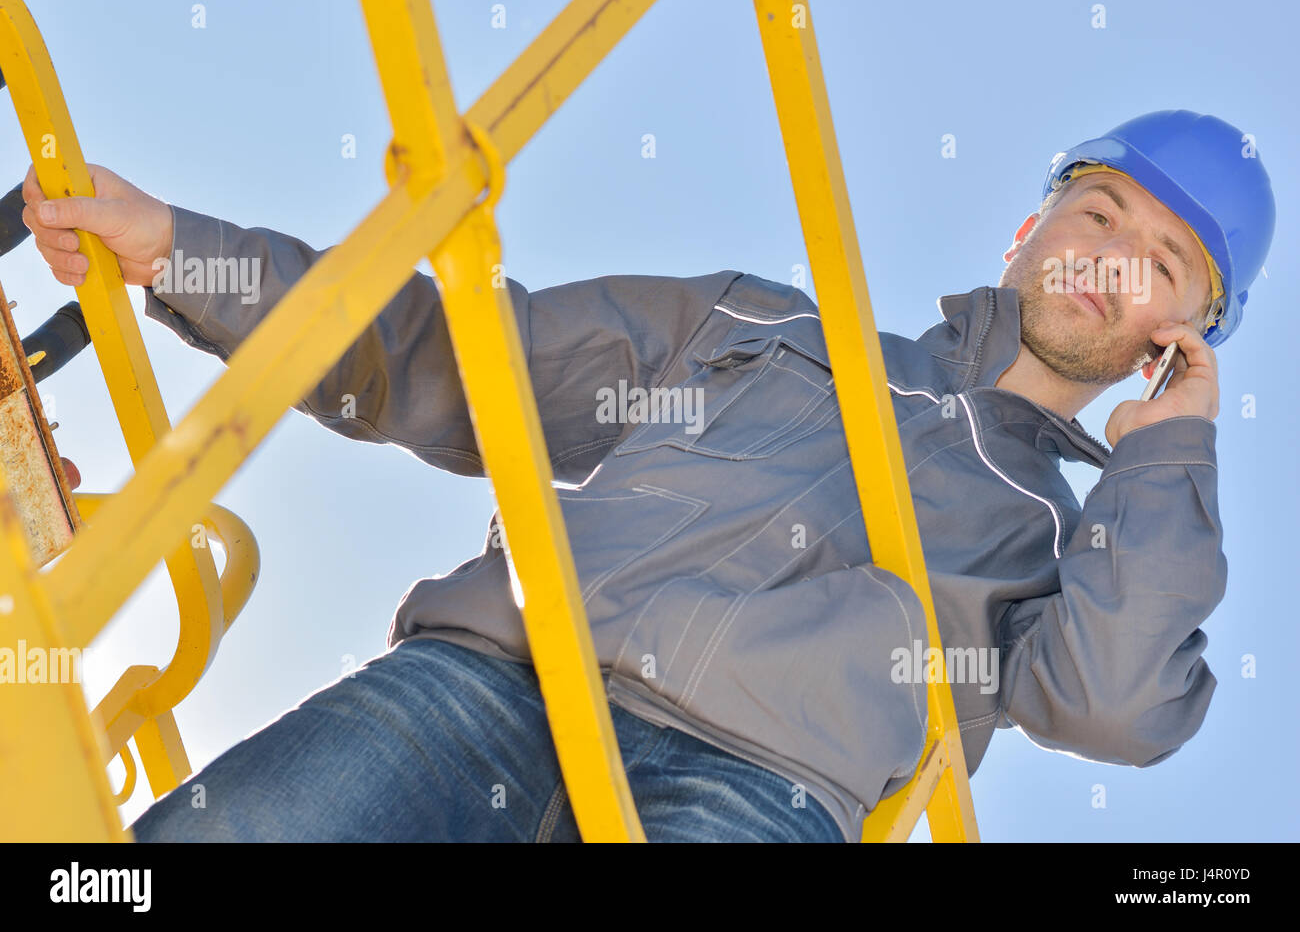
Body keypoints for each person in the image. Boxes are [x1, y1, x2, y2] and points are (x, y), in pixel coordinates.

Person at [21, 109, 1274, 842]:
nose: (1114, 263)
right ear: (1030, 229)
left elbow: (1109, 704)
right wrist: (181, 253)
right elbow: (448, 359)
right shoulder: (771, 323)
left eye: (1165, 265)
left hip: (756, 796)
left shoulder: (1087, 549)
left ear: (1181, 336)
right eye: (1100, 214)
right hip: (493, 681)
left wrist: (1168, 452)